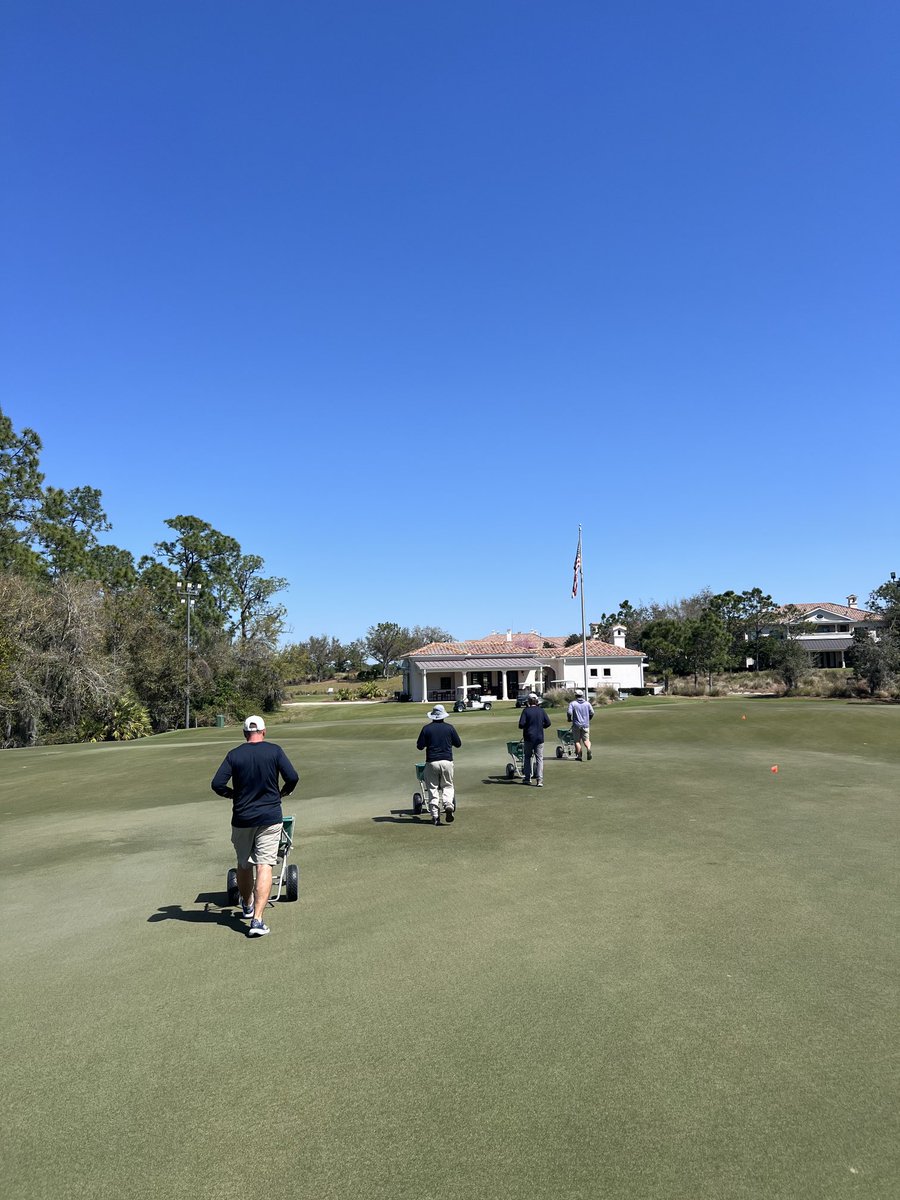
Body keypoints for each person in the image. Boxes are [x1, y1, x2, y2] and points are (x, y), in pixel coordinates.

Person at [211, 715, 299, 937]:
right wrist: (282, 793)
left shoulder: (234, 755)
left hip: (242, 818)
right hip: (269, 816)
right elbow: (293, 777)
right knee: (265, 865)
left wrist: (233, 795)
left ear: (244, 733)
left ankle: (248, 905)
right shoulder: (275, 751)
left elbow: (217, 784)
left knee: (243, 864)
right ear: (264, 731)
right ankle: (257, 921)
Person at [415, 704, 462, 826]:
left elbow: (419, 746)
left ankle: (435, 815)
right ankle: (448, 804)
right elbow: (458, 744)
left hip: (432, 762)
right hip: (447, 761)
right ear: (443, 716)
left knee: (432, 788)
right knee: (447, 785)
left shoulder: (426, 729)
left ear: (433, 716)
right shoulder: (450, 728)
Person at [518, 693, 551, 785]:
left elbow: (521, 724)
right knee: (539, 758)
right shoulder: (541, 710)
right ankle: (539, 780)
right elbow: (548, 723)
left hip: (528, 737)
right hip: (539, 738)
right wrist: (541, 726)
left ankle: (527, 778)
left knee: (527, 757)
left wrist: (526, 727)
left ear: (528, 701)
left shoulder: (526, 711)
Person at [566, 690, 595, 761]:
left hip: (576, 725)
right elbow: (592, 712)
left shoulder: (573, 703)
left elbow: (569, 712)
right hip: (585, 725)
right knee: (586, 740)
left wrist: (569, 719)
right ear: (582, 695)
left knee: (577, 741)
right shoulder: (587, 704)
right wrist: (589, 719)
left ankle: (579, 756)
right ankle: (588, 749)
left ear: (575, 696)